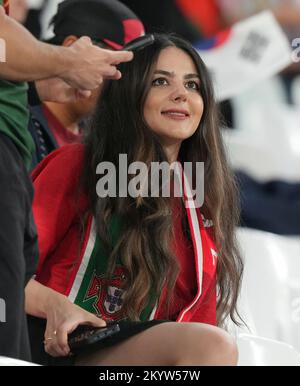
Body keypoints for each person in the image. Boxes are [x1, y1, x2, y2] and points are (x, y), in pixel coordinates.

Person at [26, 33, 243, 366]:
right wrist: (55, 305)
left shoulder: (199, 209)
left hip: (123, 364)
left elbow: (192, 329)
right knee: (212, 347)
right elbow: (7, 271)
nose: (181, 95)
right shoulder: (78, 167)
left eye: (193, 85)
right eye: (160, 81)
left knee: (212, 346)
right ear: (130, 94)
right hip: (46, 346)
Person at [0, 0, 133, 361]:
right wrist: (68, 62)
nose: (126, 83)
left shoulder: (110, 147)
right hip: (47, 330)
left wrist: (31, 85)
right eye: (117, 64)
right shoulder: (42, 140)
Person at [28, 0, 145, 167]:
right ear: (71, 48)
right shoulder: (14, 115)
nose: (125, 81)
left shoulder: (103, 137)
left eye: (134, 72)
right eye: (116, 65)